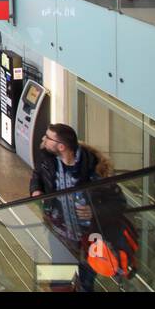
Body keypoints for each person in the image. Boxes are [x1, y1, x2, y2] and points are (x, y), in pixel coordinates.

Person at [28, 123, 125, 292]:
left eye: (48, 137)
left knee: (86, 283)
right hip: (59, 234)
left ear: (61, 146)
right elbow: (38, 175)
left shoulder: (94, 170)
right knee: (59, 282)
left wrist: (94, 212)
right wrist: (36, 190)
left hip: (91, 239)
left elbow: (119, 203)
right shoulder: (48, 160)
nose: (43, 140)